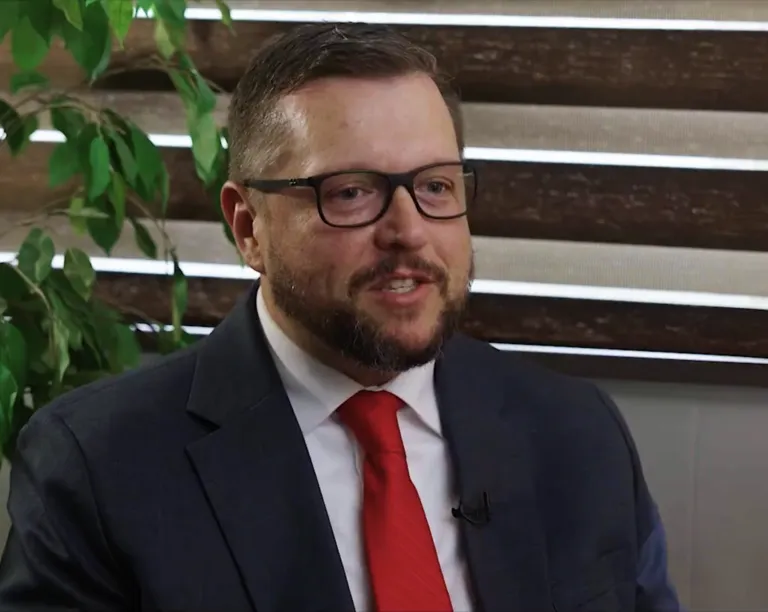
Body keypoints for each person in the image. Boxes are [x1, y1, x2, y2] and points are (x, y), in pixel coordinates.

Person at [0, 23, 680, 612]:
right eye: (352, 193)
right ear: (248, 227)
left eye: (436, 185)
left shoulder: (578, 434)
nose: (410, 232)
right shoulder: (98, 467)